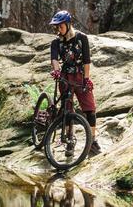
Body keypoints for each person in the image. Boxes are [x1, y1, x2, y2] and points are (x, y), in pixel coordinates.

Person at [48, 10, 101, 157]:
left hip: (80, 76)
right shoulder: (55, 43)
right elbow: (54, 59)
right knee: (67, 109)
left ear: (68, 24)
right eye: (56, 27)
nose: (58, 29)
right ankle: (69, 140)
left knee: (90, 108)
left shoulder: (81, 38)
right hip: (65, 77)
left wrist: (87, 79)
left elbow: (86, 60)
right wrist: (57, 71)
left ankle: (93, 140)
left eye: (60, 26)